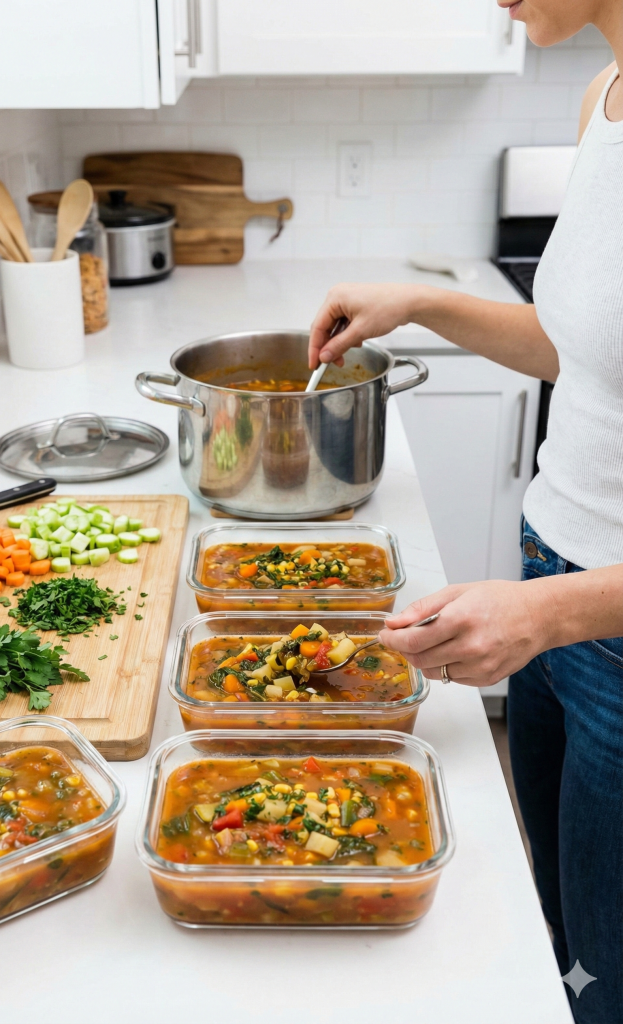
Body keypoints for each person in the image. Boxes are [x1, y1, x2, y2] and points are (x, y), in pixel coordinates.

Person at [308, 3, 623, 1021]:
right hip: (550, 569)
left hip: (598, 622)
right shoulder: (602, 102)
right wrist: (422, 302)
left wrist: (557, 615)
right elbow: (581, 346)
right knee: (559, 946)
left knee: (608, 979)